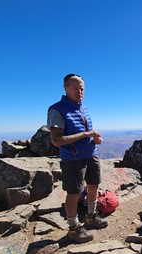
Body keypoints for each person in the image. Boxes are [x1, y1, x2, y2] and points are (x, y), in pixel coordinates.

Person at [47, 73, 108, 243]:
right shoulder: (57, 110)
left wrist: (95, 139)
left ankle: (90, 217)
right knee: (74, 193)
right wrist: (85, 134)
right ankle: (73, 228)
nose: (79, 91)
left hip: (91, 155)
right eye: (75, 88)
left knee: (93, 185)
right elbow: (57, 140)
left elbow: (87, 134)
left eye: (82, 88)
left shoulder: (83, 108)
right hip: (73, 160)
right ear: (65, 87)